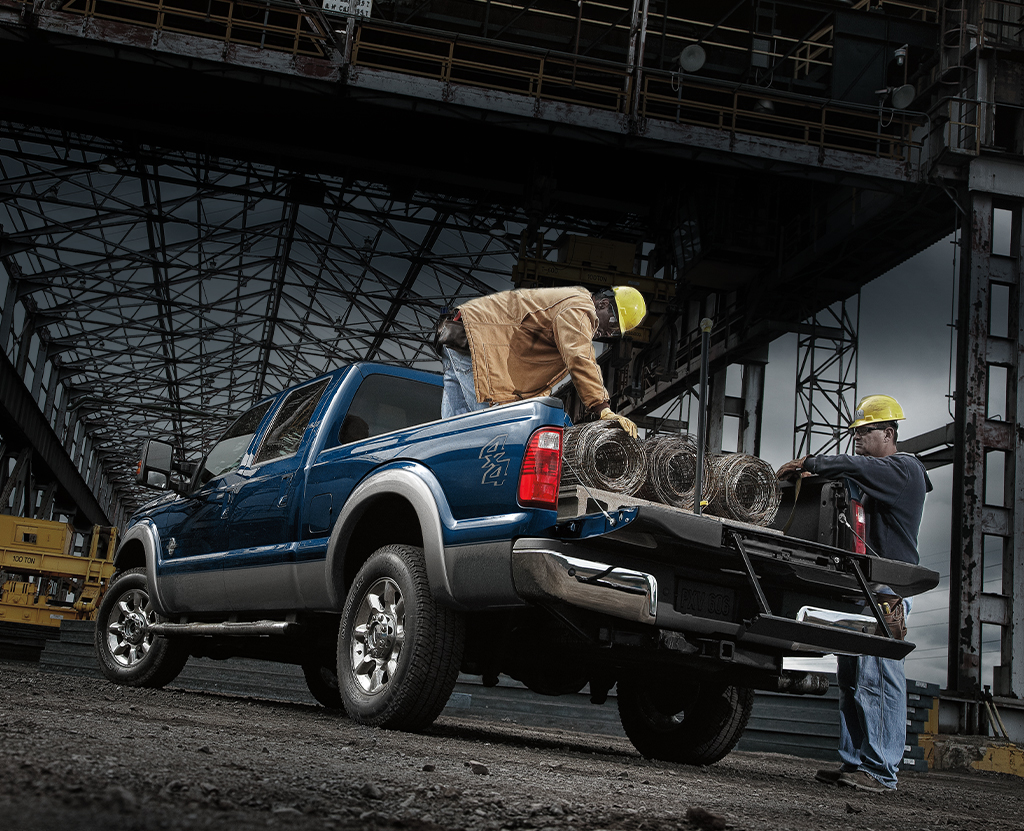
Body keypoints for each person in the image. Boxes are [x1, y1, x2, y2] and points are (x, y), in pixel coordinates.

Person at [776, 394, 932, 794]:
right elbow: (848, 480)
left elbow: (854, 465)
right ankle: (855, 762)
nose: (858, 439)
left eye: (865, 432)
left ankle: (880, 771)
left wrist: (810, 462)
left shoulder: (905, 469)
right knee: (853, 678)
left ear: (889, 433)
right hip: (863, 589)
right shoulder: (871, 477)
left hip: (887, 591)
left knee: (878, 676)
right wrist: (813, 480)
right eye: (855, 433)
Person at [437, 285, 646, 437]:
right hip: (476, 341)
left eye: (616, 332)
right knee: (489, 429)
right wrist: (602, 407)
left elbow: (536, 364)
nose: (610, 333)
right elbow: (580, 357)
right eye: (614, 323)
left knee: (452, 429)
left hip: (464, 335)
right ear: (603, 303)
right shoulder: (580, 309)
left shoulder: (571, 304)